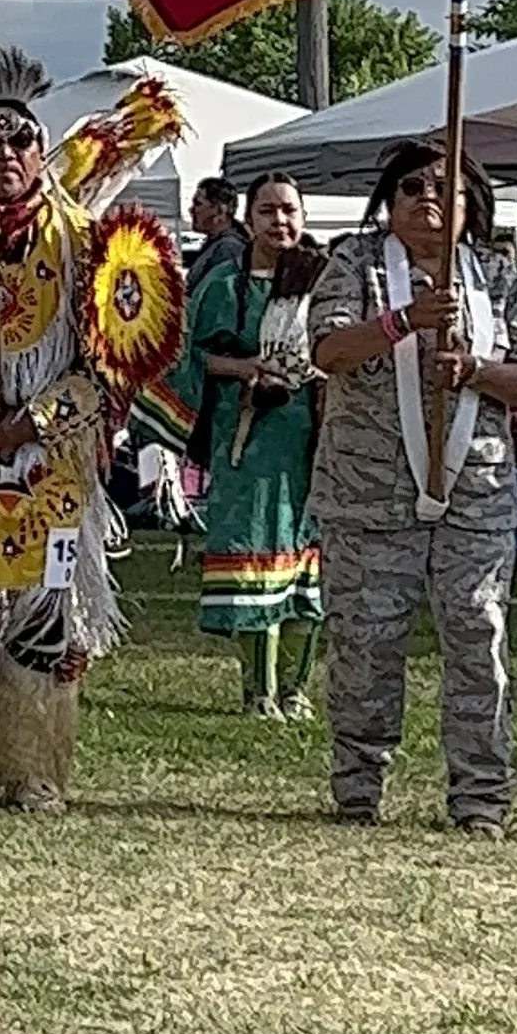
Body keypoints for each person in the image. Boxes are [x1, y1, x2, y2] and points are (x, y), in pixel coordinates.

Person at [0, 58, 188, 812]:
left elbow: (112, 366)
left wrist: (37, 419)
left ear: (43, 153)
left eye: (18, 146)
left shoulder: (87, 245)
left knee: (48, 611)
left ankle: (32, 766)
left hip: (51, 458)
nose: (3, 159)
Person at [306, 141, 517, 835]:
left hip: (474, 492)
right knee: (364, 646)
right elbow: (326, 353)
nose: (427, 197)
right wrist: (403, 321)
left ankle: (480, 797)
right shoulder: (355, 263)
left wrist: (472, 369)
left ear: (472, 206)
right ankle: (358, 787)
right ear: (389, 201)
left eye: (446, 187)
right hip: (368, 494)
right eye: (410, 186)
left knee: (479, 638)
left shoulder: (495, 276)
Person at [164, 172, 325, 714]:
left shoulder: (324, 282)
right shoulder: (225, 286)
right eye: (267, 211)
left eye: (289, 211)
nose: (280, 221)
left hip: (315, 441)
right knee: (257, 554)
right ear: (248, 218)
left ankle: (296, 690)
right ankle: (260, 692)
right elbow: (184, 355)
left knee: (311, 562)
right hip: (248, 438)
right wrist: (243, 366)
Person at [185, 177, 246, 293]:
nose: (191, 209)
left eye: (198, 203)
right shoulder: (217, 243)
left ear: (220, 211)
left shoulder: (229, 248)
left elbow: (217, 297)